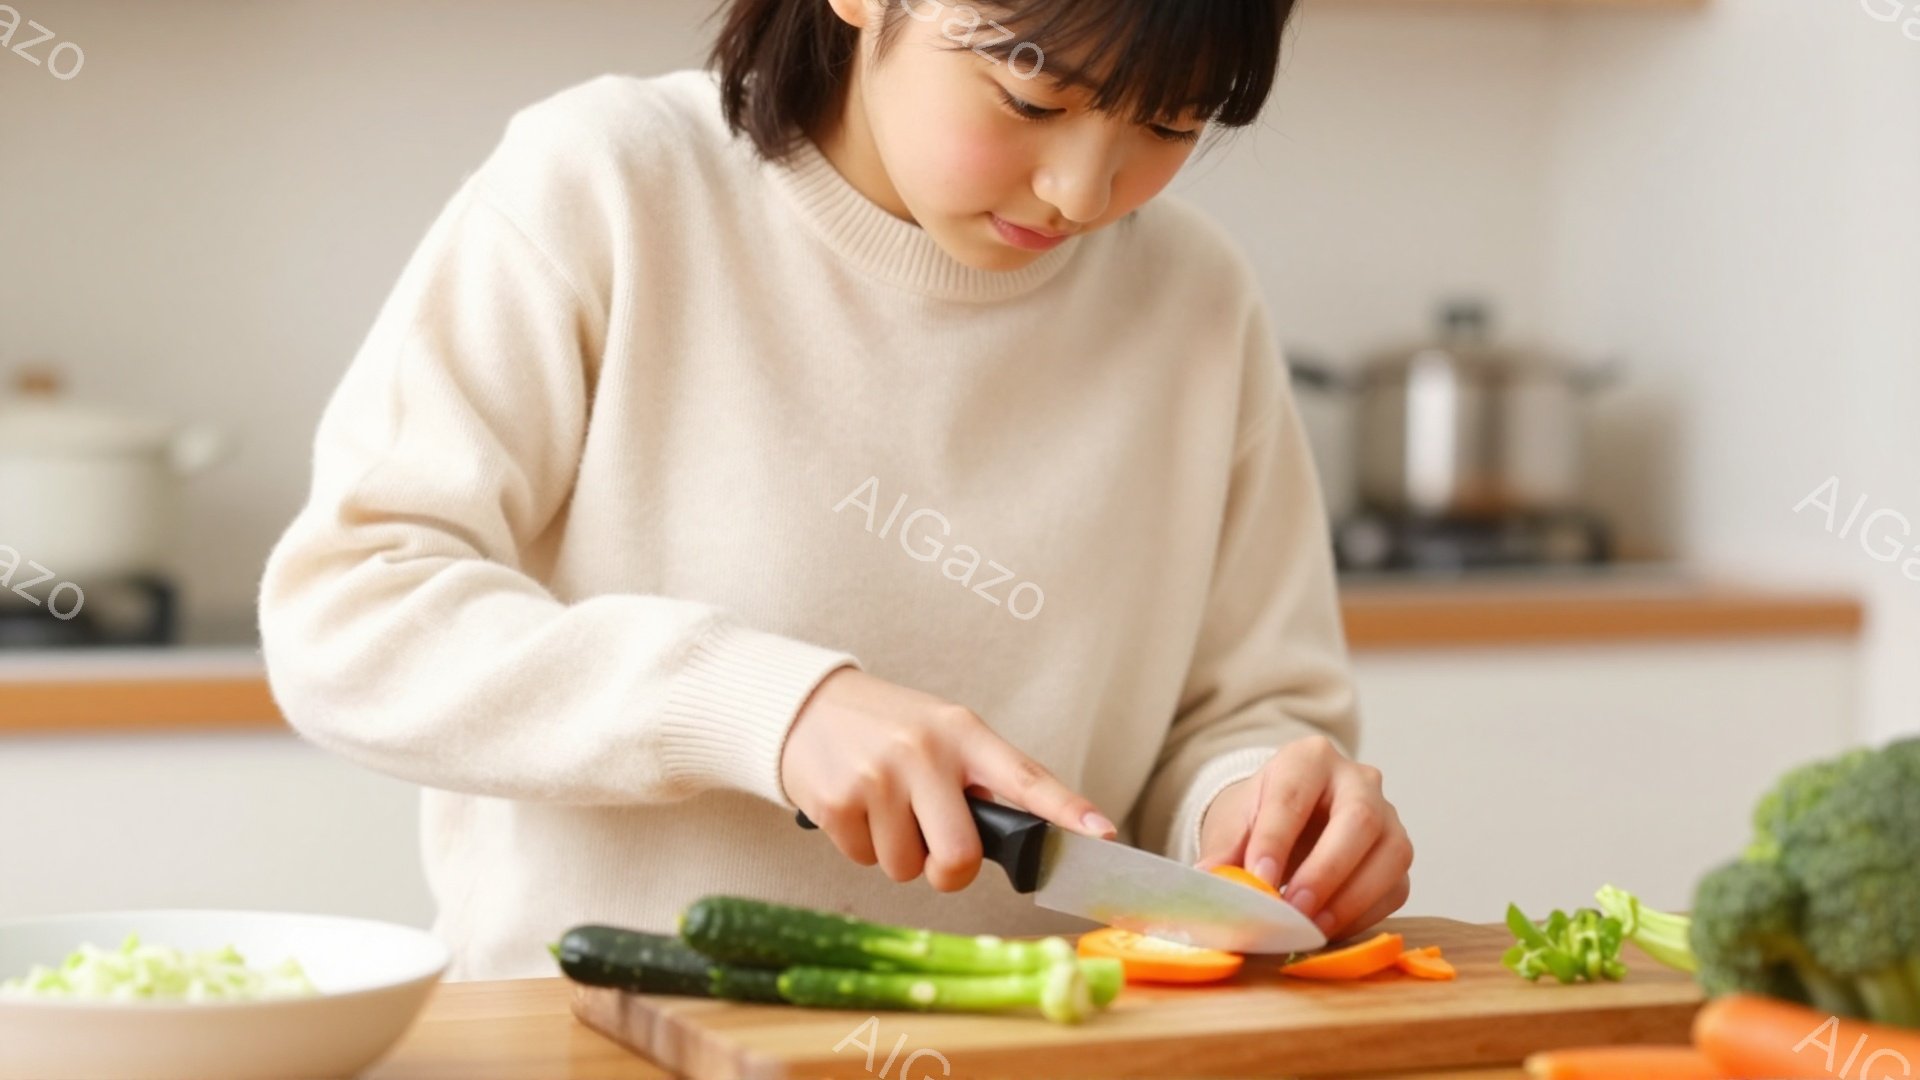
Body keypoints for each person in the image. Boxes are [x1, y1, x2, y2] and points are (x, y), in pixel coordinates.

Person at [259, 0, 1413, 981]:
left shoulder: (1195, 298)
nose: (1081, 187)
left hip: (1042, 1044)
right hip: (592, 1036)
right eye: (1032, 98)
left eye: (1169, 121)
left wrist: (1260, 811)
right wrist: (768, 708)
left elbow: (1246, 710)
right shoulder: (606, 184)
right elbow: (350, 612)